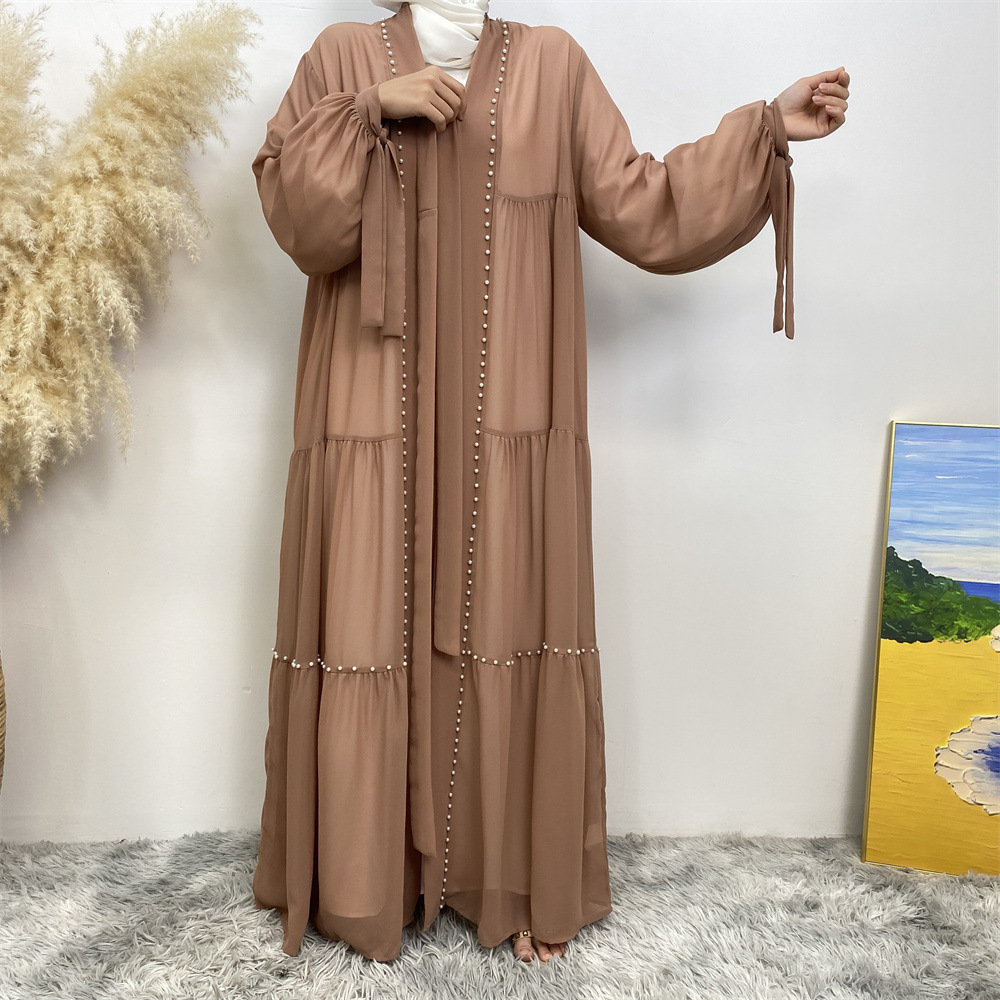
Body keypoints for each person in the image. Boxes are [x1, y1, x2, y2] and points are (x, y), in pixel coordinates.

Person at [250, 0, 850, 966]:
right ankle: (366, 879)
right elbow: (301, 222)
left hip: (507, 411)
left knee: (507, 605)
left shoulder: (555, 66)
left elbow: (644, 204)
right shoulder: (339, 56)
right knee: (371, 608)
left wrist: (765, 129)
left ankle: (509, 876)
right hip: (370, 407)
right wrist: (368, 110)